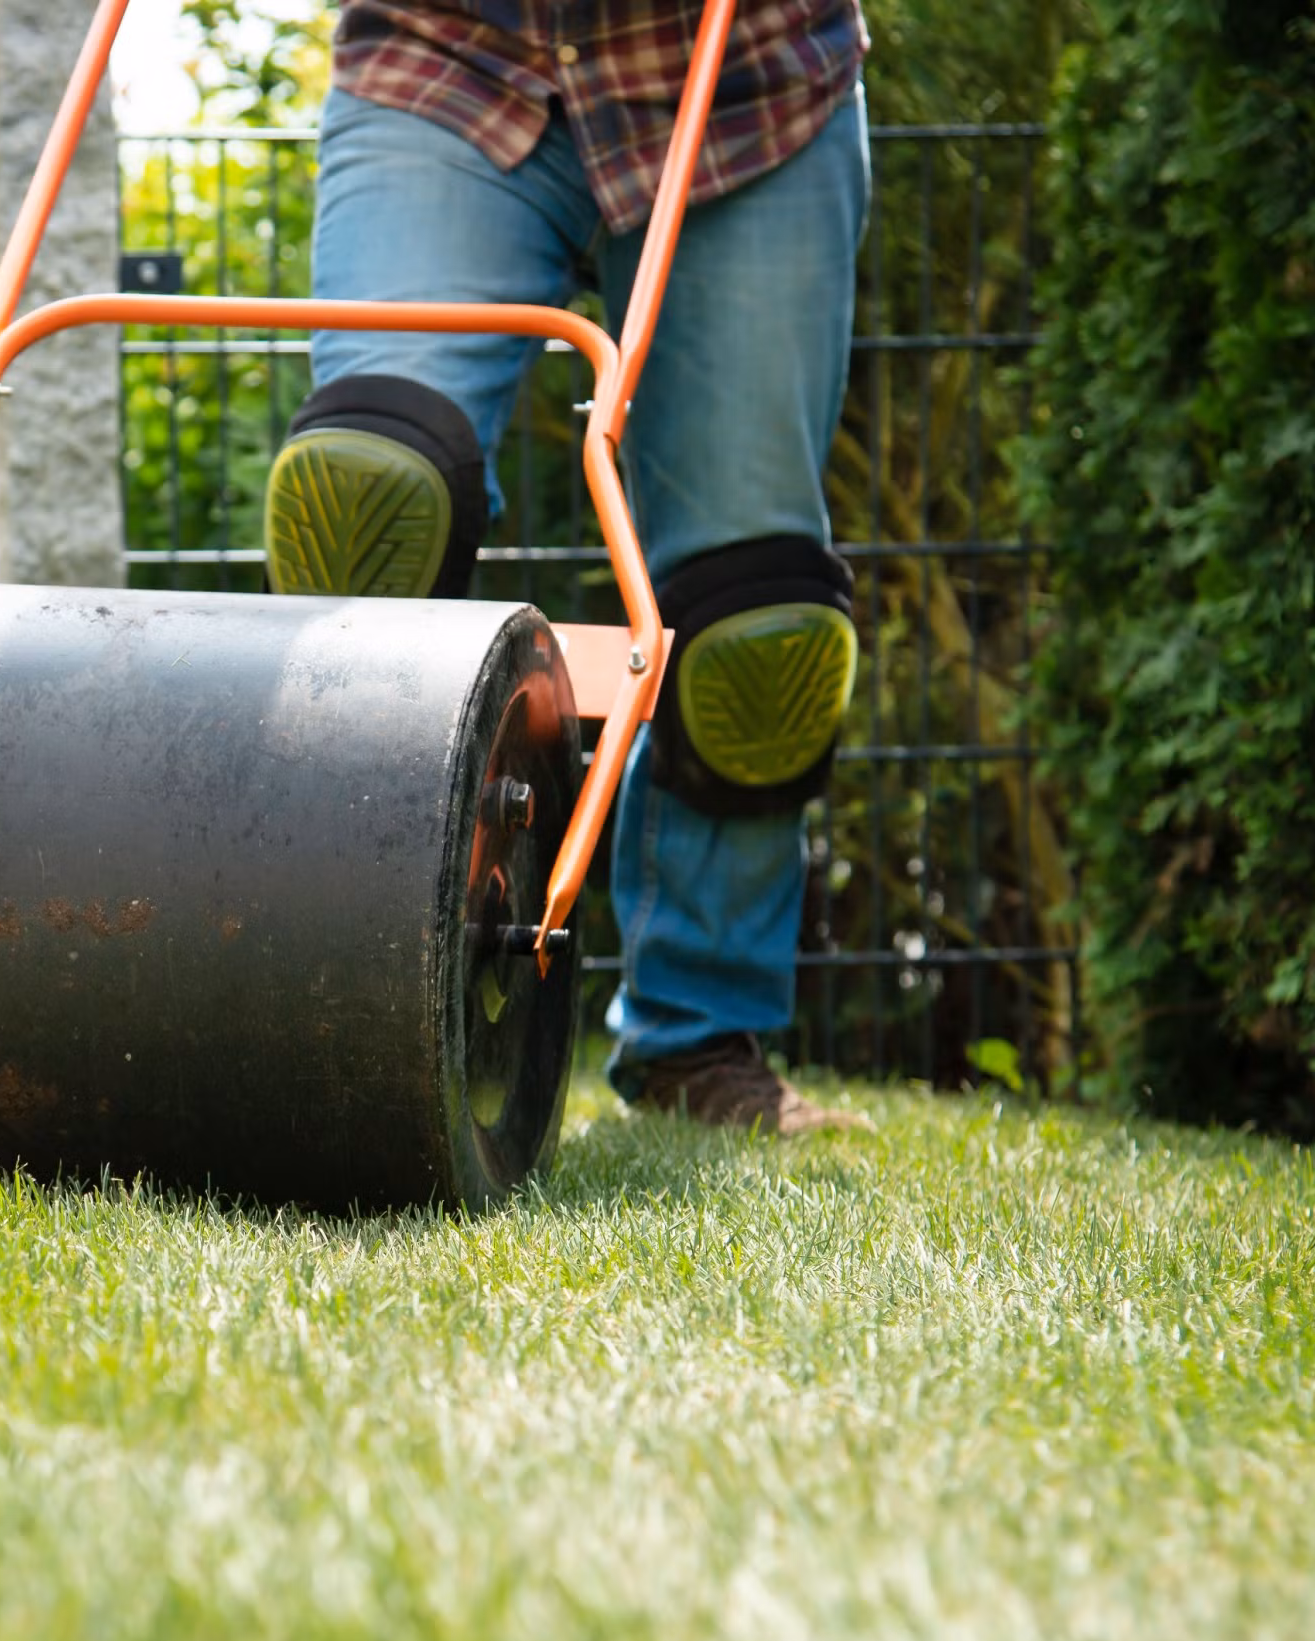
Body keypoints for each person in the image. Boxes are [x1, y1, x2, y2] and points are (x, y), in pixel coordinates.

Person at [263, 0, 873, 1135]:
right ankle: (335, 983)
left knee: (757, 624)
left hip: (744, 82)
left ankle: (700, 1043)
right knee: (368, 494)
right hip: (449, 55)